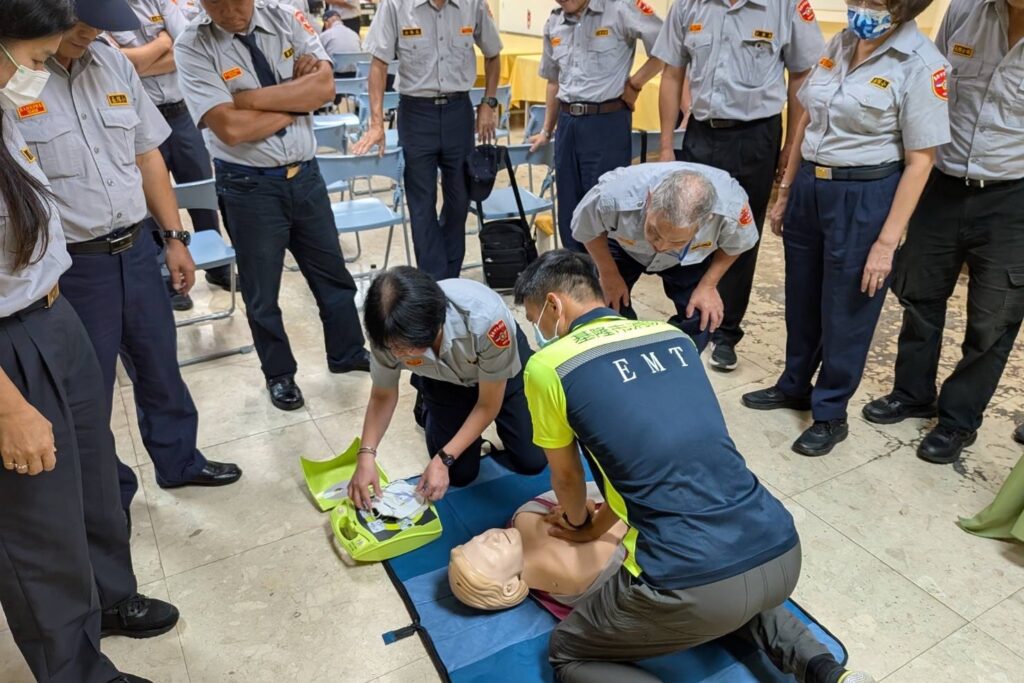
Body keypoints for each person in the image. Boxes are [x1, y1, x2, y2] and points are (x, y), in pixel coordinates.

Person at [512, 250, 874, 683]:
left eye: (535, 318)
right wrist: (599, 524)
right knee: (737, 592)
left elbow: (568, 476)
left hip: (687, 586)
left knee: (566, 653)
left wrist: (575, 523)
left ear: (554, 305)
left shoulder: (550, 365)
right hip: (779, 552)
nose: (538, 332)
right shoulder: (673, 338)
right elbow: (654, 458)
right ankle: (827, 671)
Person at [0, 2, 180, 681]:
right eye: (39, 59)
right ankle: (75, 669)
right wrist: (9, 406)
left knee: (93, 474)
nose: (42, 74)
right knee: (38, 521)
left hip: (53, 308)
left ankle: (109, 598)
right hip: (10, 340)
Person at [14, 0, 243, 513]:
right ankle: (106, 493)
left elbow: (147, 154)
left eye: (101, 23)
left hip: (137, 249)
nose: (91, 32)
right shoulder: (20, 77)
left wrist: (174, 236)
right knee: (87, 391)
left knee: (160, 366)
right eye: (81, 21)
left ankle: (179, 461)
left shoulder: (113, 62)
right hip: (73, 267)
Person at [741, 0, 951, 457]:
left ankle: (830, 411)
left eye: (874, 4)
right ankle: (794, 384)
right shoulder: (840, 42)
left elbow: (921, 162)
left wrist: (887, 242)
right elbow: (806, 122)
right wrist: (787, 188)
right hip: (812, 188)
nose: (861, 9)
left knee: (848, 308)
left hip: (866, 195)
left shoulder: (921, 64)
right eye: (857, 0)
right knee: (801, 295)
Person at [175, 0, 372, 412]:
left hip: (306, 175)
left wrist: (250, 99)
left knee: (333, 275)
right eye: (216, 3)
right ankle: (279, 375)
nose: (229, 11)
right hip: (249, 187)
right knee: (262, 293)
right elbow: (229, 128)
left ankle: (348, 352)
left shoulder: (285, 17)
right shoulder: (193, 45)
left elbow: (325, 87)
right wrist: (296, 100)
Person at [862, 0, 1024, 465]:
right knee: (919, 296)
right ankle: (912, 392)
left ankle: (957, 420)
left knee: (995, 318)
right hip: (942, 184)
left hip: (1012, 197)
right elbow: (928, 90)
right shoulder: (964, 12)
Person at [652, 0, 825, 373]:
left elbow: (800, 78)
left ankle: (727, 331)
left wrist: (791, 145)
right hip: (700, 132)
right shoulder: (688, 6)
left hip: (756, 135)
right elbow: (671, 73)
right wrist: (666, 144)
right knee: (691, 227)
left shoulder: (786, 7)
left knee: (743, 231)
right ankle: (690, 313)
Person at [348, 267, 548, 509]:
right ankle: (428, 406)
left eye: (403, 349)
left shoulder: (486, 320)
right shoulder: (386, 332)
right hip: (444, 382)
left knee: (532, 461)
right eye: (392, 347)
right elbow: (382, 395)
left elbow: (487, 404)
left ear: (433, 327)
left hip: (502, 375)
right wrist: (366, 454)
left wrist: (443, 459)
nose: (396, 354)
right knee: (461, 475)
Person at [353, 0, 502, 280]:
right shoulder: (395, 5)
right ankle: (435, 282)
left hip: (459, 111)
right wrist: (376, 124)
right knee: (421, 205)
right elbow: (378, 65)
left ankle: (449, 276)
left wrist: (488, 103)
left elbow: (493, 54)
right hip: (416, 113)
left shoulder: (472, 5)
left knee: (460, 200)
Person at [107, 0, 233, 311]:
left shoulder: (162, 1)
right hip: (140, 119)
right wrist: (161, 44)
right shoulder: (107, 9)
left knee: (203, 191)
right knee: (151, 204)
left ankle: (217, 269)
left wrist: (143, 60)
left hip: (182, 115)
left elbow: (187, 46)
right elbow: (120, 64)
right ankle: (170, 279)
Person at [572, 163, 758, 352]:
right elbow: (586, 229)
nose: (661, 246)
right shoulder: (611, 195)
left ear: (706, 221)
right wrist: (608, 273)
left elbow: (737, 245)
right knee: (603, 307)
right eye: (654, 231)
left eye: (676, 240)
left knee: (703, 315)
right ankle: (624, 355)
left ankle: (671, 359)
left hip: (686, 259)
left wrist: (708, 285)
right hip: (625, 246)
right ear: (650, 199)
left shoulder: (731, 208)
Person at [526, 0, 664, 253]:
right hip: (567, 125)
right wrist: (547, 130)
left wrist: (635, 84)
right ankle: (576, 277)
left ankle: (606, 281)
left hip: (606, 123)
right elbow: (553, 81)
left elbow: (666, 48)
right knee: (570, 208)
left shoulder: (621, 8)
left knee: (605, 207)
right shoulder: (554, 21)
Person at [449, 484, 628, 613]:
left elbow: (576, 482)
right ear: (509, 587)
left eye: (478, 538)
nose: (489, 537)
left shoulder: (525, 515)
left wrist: (579, 508)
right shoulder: (579, 582)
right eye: (488, 553)